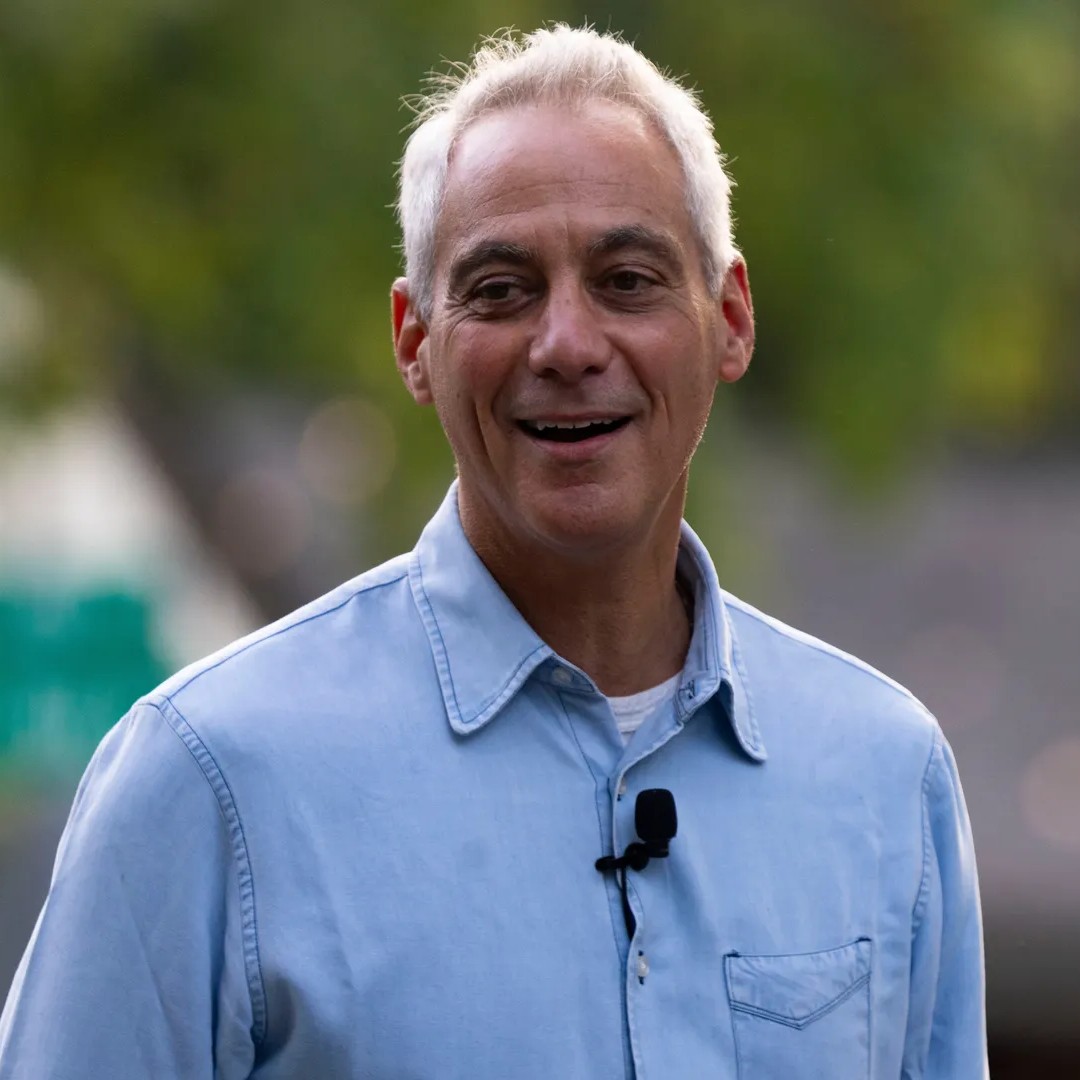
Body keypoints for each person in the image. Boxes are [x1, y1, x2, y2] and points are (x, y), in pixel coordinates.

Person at [0, 25, 987, 1079]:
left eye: (629, 279)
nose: (566, 345)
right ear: (416, 342)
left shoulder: (882, 776)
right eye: (502, 290)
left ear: (730, 319)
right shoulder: (207, 781)